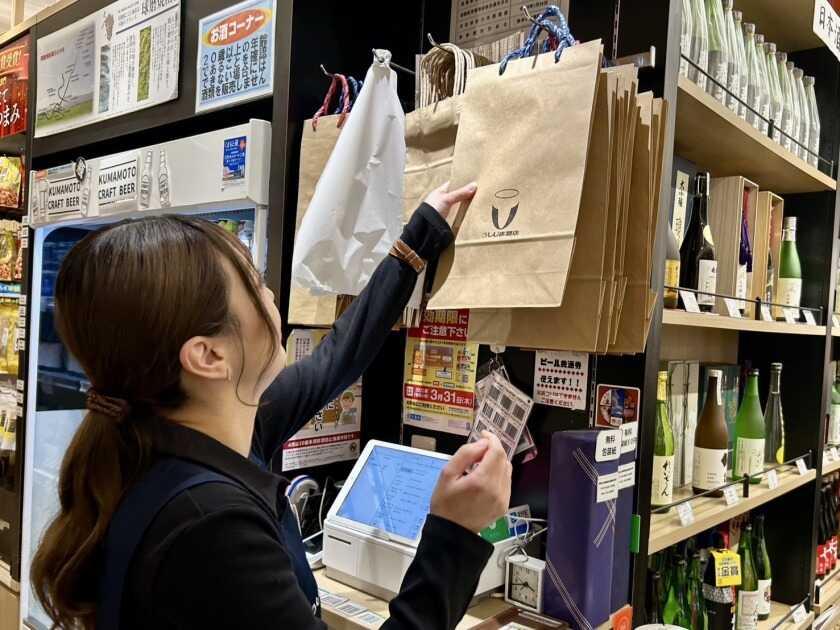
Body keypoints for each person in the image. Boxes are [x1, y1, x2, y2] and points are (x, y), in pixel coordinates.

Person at [30, 182, 513, 630]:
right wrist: (455, 532)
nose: (270, 294)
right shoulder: (212, 530)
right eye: (253, 282)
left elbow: (337, 358)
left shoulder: (177, 438)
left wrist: (416, 242)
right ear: (209, 355)